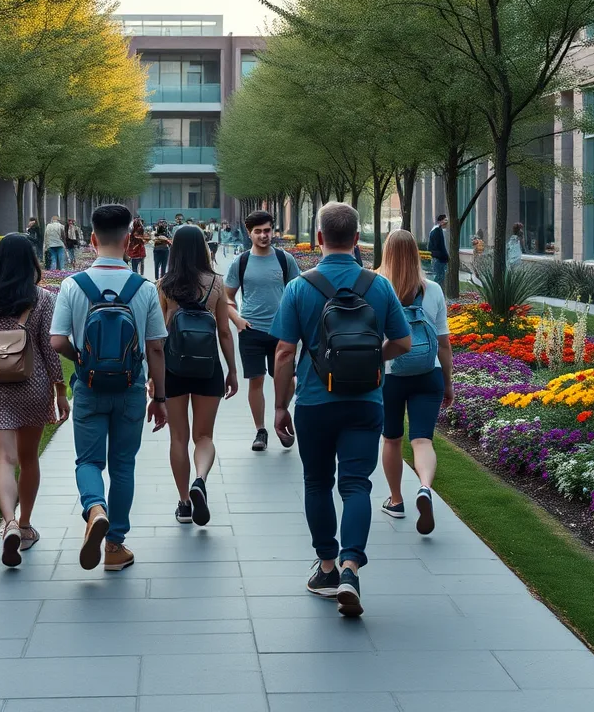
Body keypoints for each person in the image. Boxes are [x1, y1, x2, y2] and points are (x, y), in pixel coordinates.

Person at [271, 202, 412, 617]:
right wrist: (372, 363)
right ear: (356, 240)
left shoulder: (300, 287)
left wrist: (280, 406)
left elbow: (283, 352)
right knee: (356, 486)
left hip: (315, 402)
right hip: (366, 402)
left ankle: (327, 568)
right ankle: (352, 566)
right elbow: (403, 343)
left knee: (317, 483)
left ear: (318, 239)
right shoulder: (379, 286)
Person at [51, 204, 168, 572]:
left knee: (88, 460)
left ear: (92, 238)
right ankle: (115, 547)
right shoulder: (144, 288)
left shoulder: (73, 285)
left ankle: (94, 508)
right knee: (123, 465)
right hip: (131, 386)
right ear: (128, 237)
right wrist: (160, 396)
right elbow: (155, 347)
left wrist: (81, 360)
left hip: (88, 386)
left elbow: (56, 342)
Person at [0, 233, 69, 566]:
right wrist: (60, 390)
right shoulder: (42, 298)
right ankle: (24, 526)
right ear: (31, 262)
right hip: (32, 387)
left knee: (4, 460)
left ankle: (7, 522)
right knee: (29, 459)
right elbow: (51, 351)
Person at [158, 224, 239, 525]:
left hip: (173, 368)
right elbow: (224, 331)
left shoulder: (164, 284)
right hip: (208, 368)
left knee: (178, 437)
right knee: (204, 435)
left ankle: (183, 504)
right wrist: (231, 369)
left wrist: (154, 378)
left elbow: (159, 335)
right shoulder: (215, 283)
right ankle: (200, 480)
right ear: (203, 247)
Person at [376, 229, 453, 534]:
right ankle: (424, 486)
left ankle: (396, 500)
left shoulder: (376, 287)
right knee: (422, 440)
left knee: (392, 439)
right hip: (428, 372)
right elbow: (444, 344)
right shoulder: (433, 289)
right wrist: (448, 383)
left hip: (390, 374)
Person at [225, 209, 300, 452]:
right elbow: (227, 298)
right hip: (251, 330)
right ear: (249, 233)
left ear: (272, 230)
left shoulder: (284, 259)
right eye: (258, 232)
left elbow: (296, 293)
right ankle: (260, 430)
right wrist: (237, 319)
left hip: (281, 331)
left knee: (287, 380)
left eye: (267, 230)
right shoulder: (242, 262)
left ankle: (281, 412)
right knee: (255, 381)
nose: (263, 235)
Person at [427, 214, 449, 287]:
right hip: (439, 259)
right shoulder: (437, 231)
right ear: (440, 221)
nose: (447, 223)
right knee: (439, 277)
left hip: (438, 258)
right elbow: (439, 247)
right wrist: (445, 257)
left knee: (439, 277)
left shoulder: (438, 230)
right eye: (445, 220)